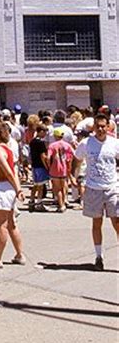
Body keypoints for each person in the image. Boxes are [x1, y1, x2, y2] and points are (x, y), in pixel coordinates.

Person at [73, 113, 119, 271]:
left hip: (112, 188)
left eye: (103, 126)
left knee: (117, 222)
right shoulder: (86, 143)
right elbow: (77, 159)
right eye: (97, 126)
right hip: (93, 188)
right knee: (96, 223)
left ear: (108, 127)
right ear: (93, 128)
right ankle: (99, 256)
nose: (100, 129)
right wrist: (74, 176)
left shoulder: (114, 143)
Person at [0, 121, 25, 268]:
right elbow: (12, 171)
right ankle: (19, 254)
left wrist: (18, 188)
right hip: (8, 188)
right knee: (11, 224)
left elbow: (8, 171)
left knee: (1, 225)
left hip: (1, 187)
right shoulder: (7, 149)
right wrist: (18, 188)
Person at [47, 128, 75, 212]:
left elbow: (48, 157)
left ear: (55, 136)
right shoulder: (67, 145)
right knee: (64, 185)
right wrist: (69, 164)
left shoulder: (52, 145)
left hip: (55, 168)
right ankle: (65, 199)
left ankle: (61, 205)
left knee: (57, 188)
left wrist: (49, 165)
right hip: (65, 168)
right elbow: (73, 155)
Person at [28, 124, 49, 212]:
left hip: (34, 165)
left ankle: (31, 200)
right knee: (40, 185)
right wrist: (47, 166)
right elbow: (43, 156)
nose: (45, 134)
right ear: (40, 131)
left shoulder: (32, 141)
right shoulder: (41, 142)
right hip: (40, 166)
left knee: (35, 184)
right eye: (44, 132)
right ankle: (39, 203)